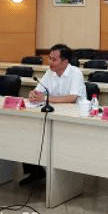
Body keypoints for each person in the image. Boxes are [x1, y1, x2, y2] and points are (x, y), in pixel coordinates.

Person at [21, 44, 86, 186]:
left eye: (54, 59)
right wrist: (34, 95)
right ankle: (36, 171)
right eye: (49, 58)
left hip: (72, 118)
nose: (50, 62)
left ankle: (63, 178)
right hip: (53, 114)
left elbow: (72, 98)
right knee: (28, 132)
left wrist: (44, 98)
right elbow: (39, 91)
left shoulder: (75, 73)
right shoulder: (49, 73)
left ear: (65, 61)